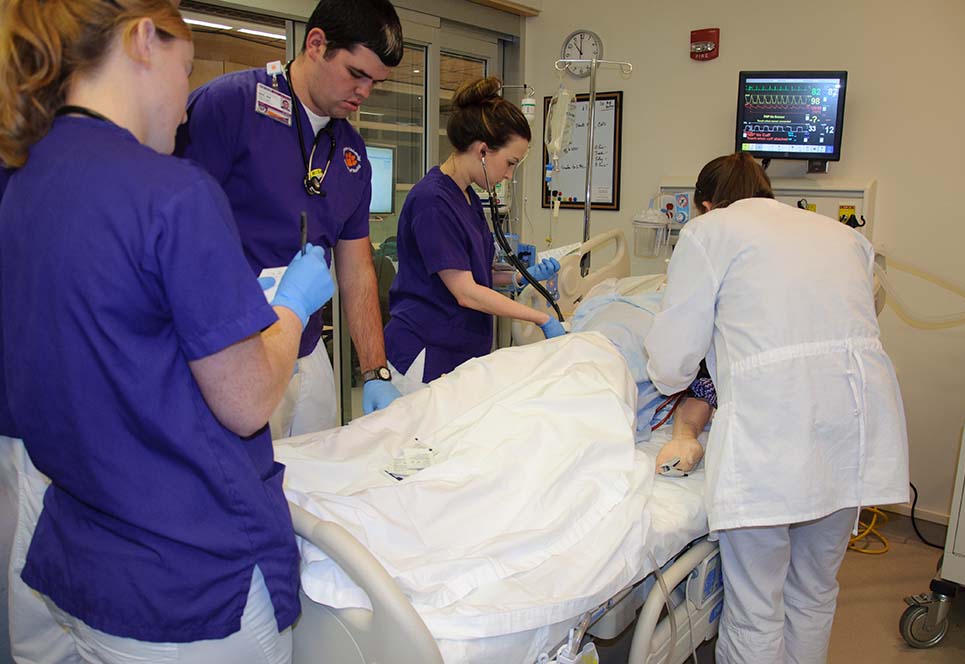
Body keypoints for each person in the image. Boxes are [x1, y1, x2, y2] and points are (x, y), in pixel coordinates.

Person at [0, 1, 335, 661]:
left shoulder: (24, 184)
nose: (186, 109)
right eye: (187, 73)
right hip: (186, 583)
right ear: (143, 40)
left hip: (78, 555)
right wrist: (291, 308)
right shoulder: (172, 194)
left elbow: (109, 342)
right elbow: (245, 402)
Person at [643, 152, 909, 664]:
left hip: (773, 431)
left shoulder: (710, 232)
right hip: (847, 429)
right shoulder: (842, 235)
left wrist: (673, 379)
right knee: (814, 590)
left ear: (705, 204)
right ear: (766, 191)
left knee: (756, 605)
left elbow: (674, 359)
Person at [175, 0, 404, 435]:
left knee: (315, 479)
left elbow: (356, 271)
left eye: (375, 82)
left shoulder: (351, 155)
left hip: (307, 344)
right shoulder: (228, 108)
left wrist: (375, 371)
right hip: (231, 348)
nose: (364, 94)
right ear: (316, 44)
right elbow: (172, 235)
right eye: (356, 74)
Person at [384, 76, 565, 390]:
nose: (509, 174)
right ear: (482, 150)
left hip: (457, 352)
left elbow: (472, 272)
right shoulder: (433, 202)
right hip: (425, 353)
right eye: (510, 163)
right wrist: (540, 318)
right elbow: (465, 291)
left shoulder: (467, 197)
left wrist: (518, 278)